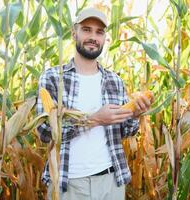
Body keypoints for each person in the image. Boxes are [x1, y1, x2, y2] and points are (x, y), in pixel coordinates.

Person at [36, 7, 153, 200]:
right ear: (75, 33)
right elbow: (45, 132)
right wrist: (95, 119)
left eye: (99, 32)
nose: (93, 37)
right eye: (87, 29)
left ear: (104, 38)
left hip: (111, 182)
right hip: (68, 184)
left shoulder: (114, 80)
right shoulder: (53, 78)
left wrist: (135, 115)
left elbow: (126, 131)